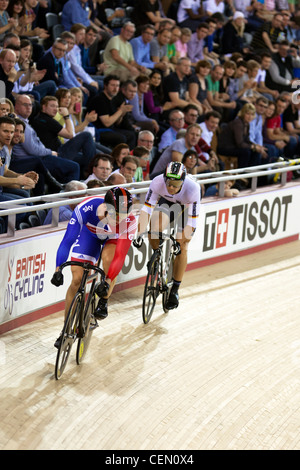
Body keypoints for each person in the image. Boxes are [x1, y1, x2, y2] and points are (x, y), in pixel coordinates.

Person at [51, 186, 136, 346]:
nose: (120, 219)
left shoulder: (129, 221)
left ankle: (103, 299)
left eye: (124, 215)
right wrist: (58, 268)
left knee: (108, 259)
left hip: (112, 240)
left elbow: (120, 255)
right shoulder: (86, 207)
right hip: (90, 236)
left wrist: (108, 282)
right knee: (76, 280)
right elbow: (68, 240)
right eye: (117, 214)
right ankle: (66, 328)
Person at [134, 161, 201, 310]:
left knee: (182, 245)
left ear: (183, 181)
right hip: (167, 203)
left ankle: (175, 290)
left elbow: (192, 222)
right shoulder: (157, 182)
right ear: (164, 178)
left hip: (186, 209)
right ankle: (156, 258)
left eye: (176, 183)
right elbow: (147, 209)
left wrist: (180, 241)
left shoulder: (193, 189)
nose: (171, 187)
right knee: (153, 228)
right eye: (169, 182)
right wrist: (139, 233)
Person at [13, 94, 80, 184]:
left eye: (30, 105)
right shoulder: (20, 124)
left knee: (78, 161)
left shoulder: (26, 123)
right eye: (25, 104)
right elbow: (32, 149)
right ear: (16, 106)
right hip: (35, 159)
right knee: (75, 167)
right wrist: (50, 152)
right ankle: (70, 194)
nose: (29, 107)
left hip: (42, 156)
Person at [31, 95, 96, 179]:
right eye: (52, 106)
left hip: (57, 151)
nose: (55, 109)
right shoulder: (47, 120)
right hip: (56, 154)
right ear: (43, 107)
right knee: (86, 136)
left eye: (57, 106)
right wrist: (66, 116)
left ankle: (88, 173)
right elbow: (70, 135)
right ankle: (89, 172)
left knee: (88, 157)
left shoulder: (40, 119)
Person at [87, 74, 136, 149]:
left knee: (132, 135)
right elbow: (107, 123)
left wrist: (122, 114)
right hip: (98, 130)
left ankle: (128, 157)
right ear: (105, 86)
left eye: (117, 86)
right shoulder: (100, 100)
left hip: (110, 129)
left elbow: (116, 123)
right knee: (121, 138)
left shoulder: (112, 99)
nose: (115, 88)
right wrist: (120, 111)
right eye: (113, 85)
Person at [217, 102, 263, 167]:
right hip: (225, 148)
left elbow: (246, 140)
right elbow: (240, 143)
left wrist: (256, 146)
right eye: (248, 114)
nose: (250, 117)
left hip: (235, 147)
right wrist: (253, 147)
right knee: (246, 152)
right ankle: (242, 174)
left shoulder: (247, 124)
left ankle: (252, 174)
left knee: (256, 152)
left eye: (252, 114)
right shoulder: (238, 123)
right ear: (243, 113)